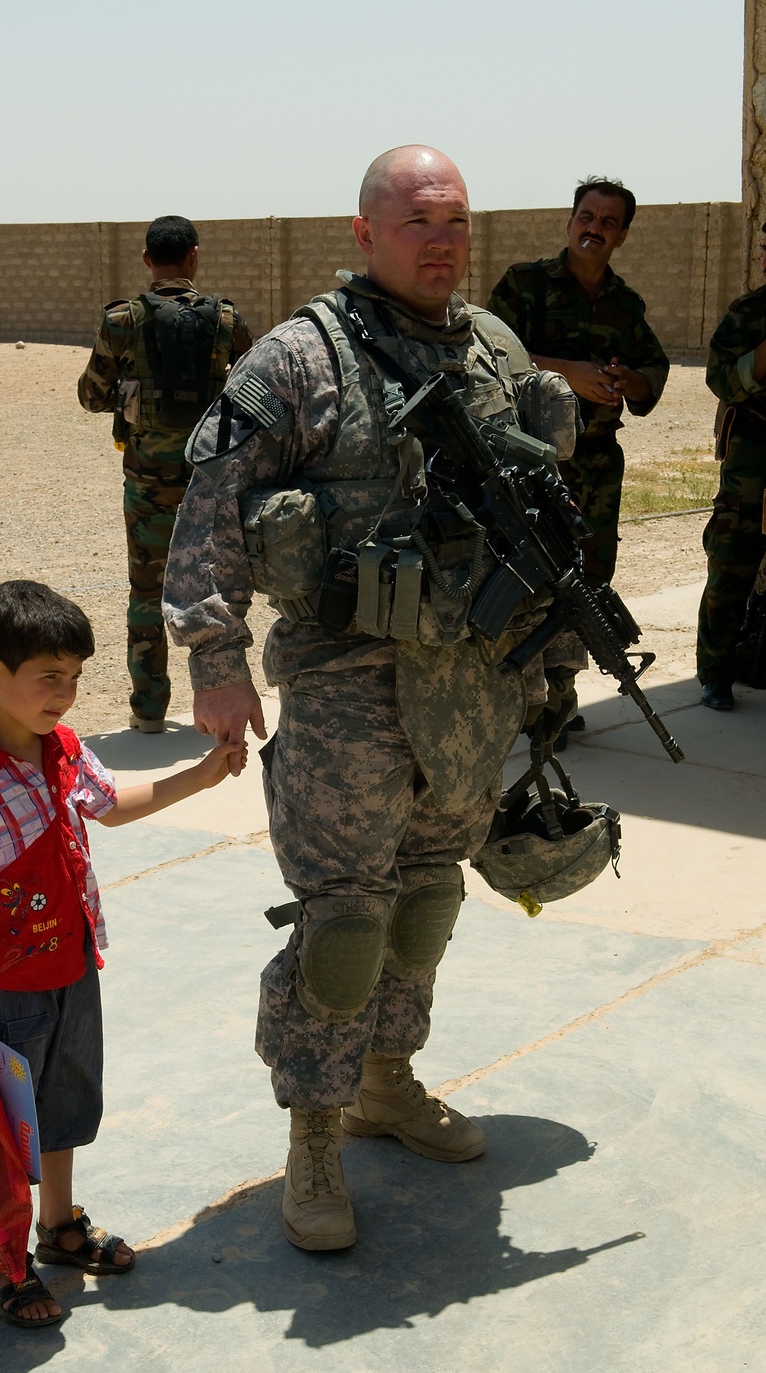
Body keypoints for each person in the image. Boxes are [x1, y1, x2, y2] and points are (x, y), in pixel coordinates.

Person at [163, 145, 569, 1252]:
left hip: (467, 688)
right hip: (345, 685)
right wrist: (212, 658)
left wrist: (545, 661)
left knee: (428, 897)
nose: (441, 240)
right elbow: (212, 506)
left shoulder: (493, 350)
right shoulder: (302, 358)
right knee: (344, 920)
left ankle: (388, 1082)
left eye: (456, 222)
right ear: (365, 233)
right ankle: (314, 1134)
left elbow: (539, 513)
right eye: (418, 220)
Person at [0, 579, 244, 1325]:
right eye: (49, 678)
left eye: (74, 677)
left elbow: (111, 807)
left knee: (63, 1107)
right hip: (1, 985)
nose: (65, 695)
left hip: (72, 967)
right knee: (7, 1128)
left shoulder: (64, 754)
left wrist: (197, 775)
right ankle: (4, 1261)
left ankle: (58, 1226)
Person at [488, 177, 668, 743]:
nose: (595, 229)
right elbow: (488, 353)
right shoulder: (525, 285)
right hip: (529, 466)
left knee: (584, 589)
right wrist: (571, 373)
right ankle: (510, 702)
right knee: (521, 585)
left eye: (608, 222)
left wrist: (627, 379)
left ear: (622, 235)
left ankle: (555, 710)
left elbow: (652, 376)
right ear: (570, 222)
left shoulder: (625, 305)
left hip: (595, 469)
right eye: (587, 217)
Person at [78, 216, 253, 733]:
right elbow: (251, 392)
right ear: (194, 257)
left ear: (147, 259)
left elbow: (90, 395)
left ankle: (149, 710)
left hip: (149, 483)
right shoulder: (225, 320)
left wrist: (130, 394)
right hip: (210, 480)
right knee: (215, 587)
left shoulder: (122, 320)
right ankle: (217, 701)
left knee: (146, 592)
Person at [695, 220, 766, 710]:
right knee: (731, 562)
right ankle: (716, 673)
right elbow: (719, 378)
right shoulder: (750, 314)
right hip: (752, 465)